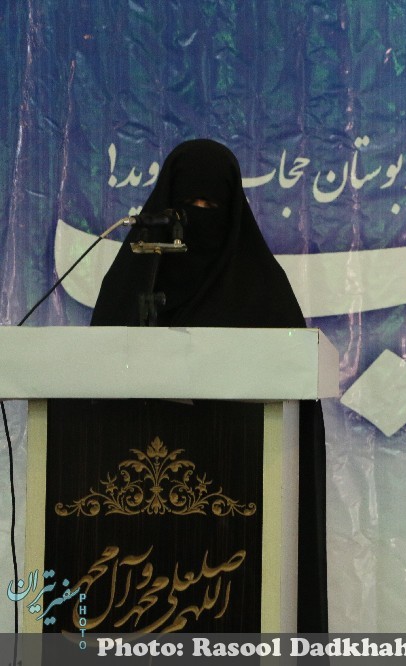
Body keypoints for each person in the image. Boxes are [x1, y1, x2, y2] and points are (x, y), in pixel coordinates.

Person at [91, 139, 328, 632]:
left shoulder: (262, 289)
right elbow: (98, 377)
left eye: (211, 206)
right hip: (135, 529)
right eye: (188, 206)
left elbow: (293, 394)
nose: (199, 217)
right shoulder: (132, 280)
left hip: (238, 506)